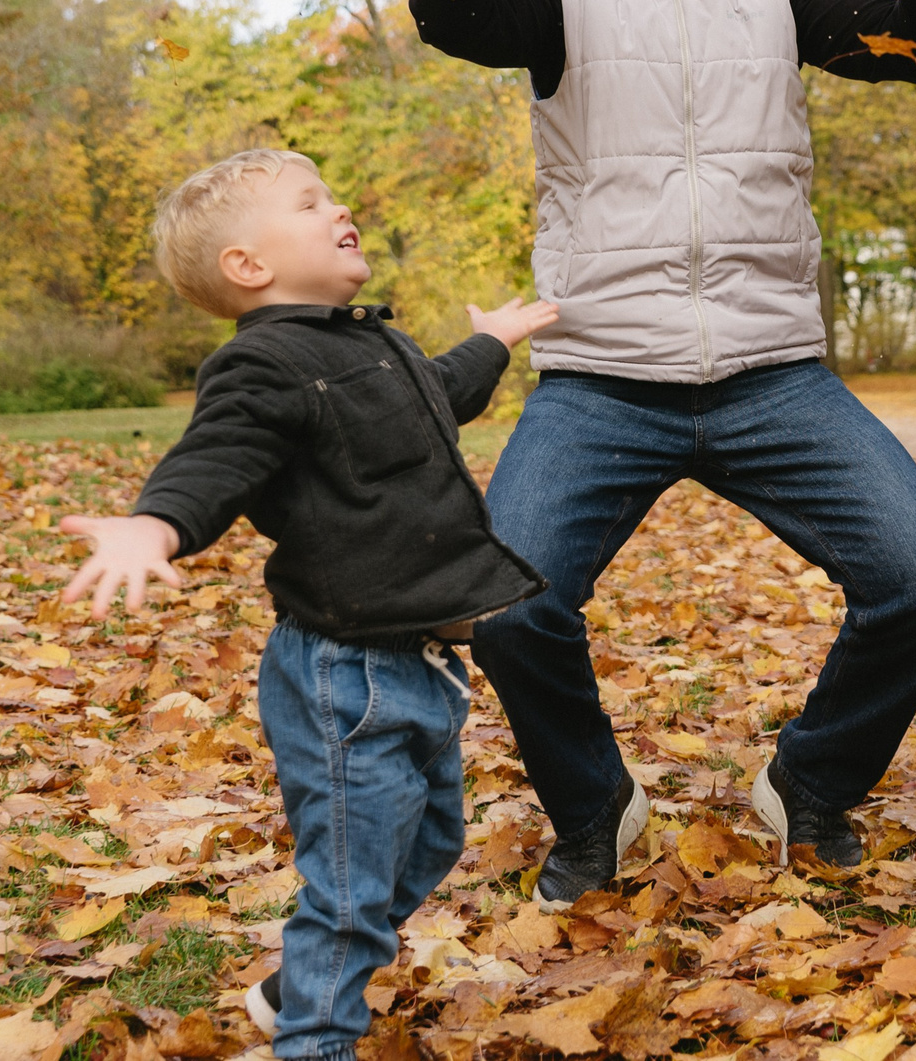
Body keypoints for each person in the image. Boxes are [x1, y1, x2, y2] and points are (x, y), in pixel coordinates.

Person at [406, 0, 916, 900]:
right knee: (507, 603)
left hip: (772, 371)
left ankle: (813, 778)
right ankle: (593, 809)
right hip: (602, 374)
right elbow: (448, 11)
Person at [57, 149, 555, 1061]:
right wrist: (155, 524)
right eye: (309, 201)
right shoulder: (263, 365)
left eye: (333, 192)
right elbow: (216, 455)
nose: (340, 206)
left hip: (422, 661)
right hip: (346, 673)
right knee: (352, 889)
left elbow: (438, 396)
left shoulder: (374, 342)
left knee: (431, 843)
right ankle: (313, 1037)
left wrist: (497, 339)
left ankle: (295, 986)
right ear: (250, 265)